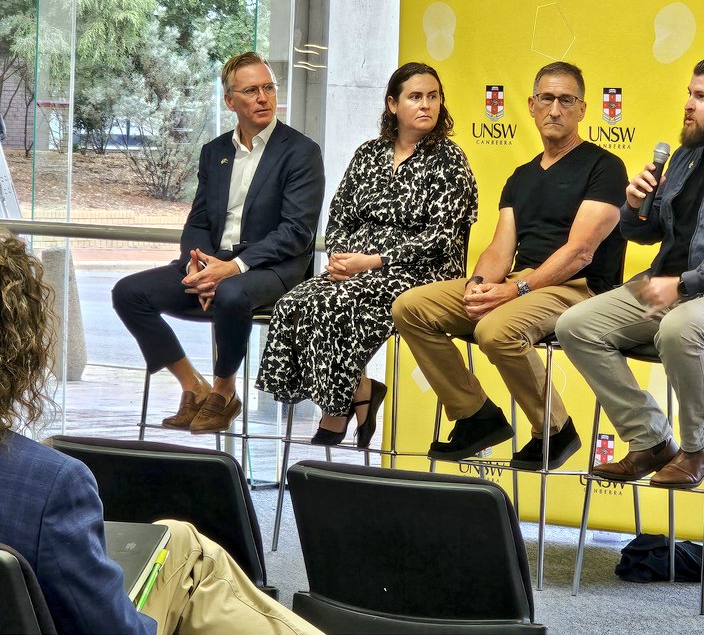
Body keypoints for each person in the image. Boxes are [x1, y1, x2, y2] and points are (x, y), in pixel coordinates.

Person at [0, 229, 322, 635]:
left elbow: (295, 232)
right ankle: (206, 387)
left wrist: (227, 267)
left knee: (177, 537)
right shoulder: (50, 485)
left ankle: (212, 388)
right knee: (194, 562)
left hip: (259, 270)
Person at [556, 55, 704, 488]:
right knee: (576, 325)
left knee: (680, 328)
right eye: (689, 94)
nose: (688, 104)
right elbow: (645, 233)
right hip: (672, 288)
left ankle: (699, 448)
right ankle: (650, 440)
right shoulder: (685, 157)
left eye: (701, 96)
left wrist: (684, 284)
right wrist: (633, 205)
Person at [392, 62, 627, 471]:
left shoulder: (604, 167)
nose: (555, 109)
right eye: (547, 99)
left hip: (579, 287)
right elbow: (500, 249)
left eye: (566, 100)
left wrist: (515, 290)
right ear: (532, 106)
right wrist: (480, 283)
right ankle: (476, 415)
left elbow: (580, 252)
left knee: (495, 330)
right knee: (410, 307)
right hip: (523, 283)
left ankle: (555, 429)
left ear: (582, 109)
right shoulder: (521, 177)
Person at [255, 62, 477, 446]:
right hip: (358, 267)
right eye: (415, 96)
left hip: (423, 271)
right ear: (393, 104)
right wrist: (341, 257)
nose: (426, 104)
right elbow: (340, 215)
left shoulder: (449, 160)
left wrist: (373, 261)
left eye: (433, 96)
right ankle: (360, 388)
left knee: (338, 302)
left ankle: (335, 412)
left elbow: (441, 238)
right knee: (295, 302)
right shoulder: (368, 154)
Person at [112, 52, 325, 434]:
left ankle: (224, 392)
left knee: (230, 294)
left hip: (272, 267)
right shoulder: (215, 152)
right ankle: (193, 386)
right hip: (214, 262)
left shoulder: (301, 151)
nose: (263, 98)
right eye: (251, 91)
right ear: (230, 101)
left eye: (268, 88)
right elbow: (198, 220)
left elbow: (297, 231)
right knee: (128, 293)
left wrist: (231, 269)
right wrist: (196, 263)